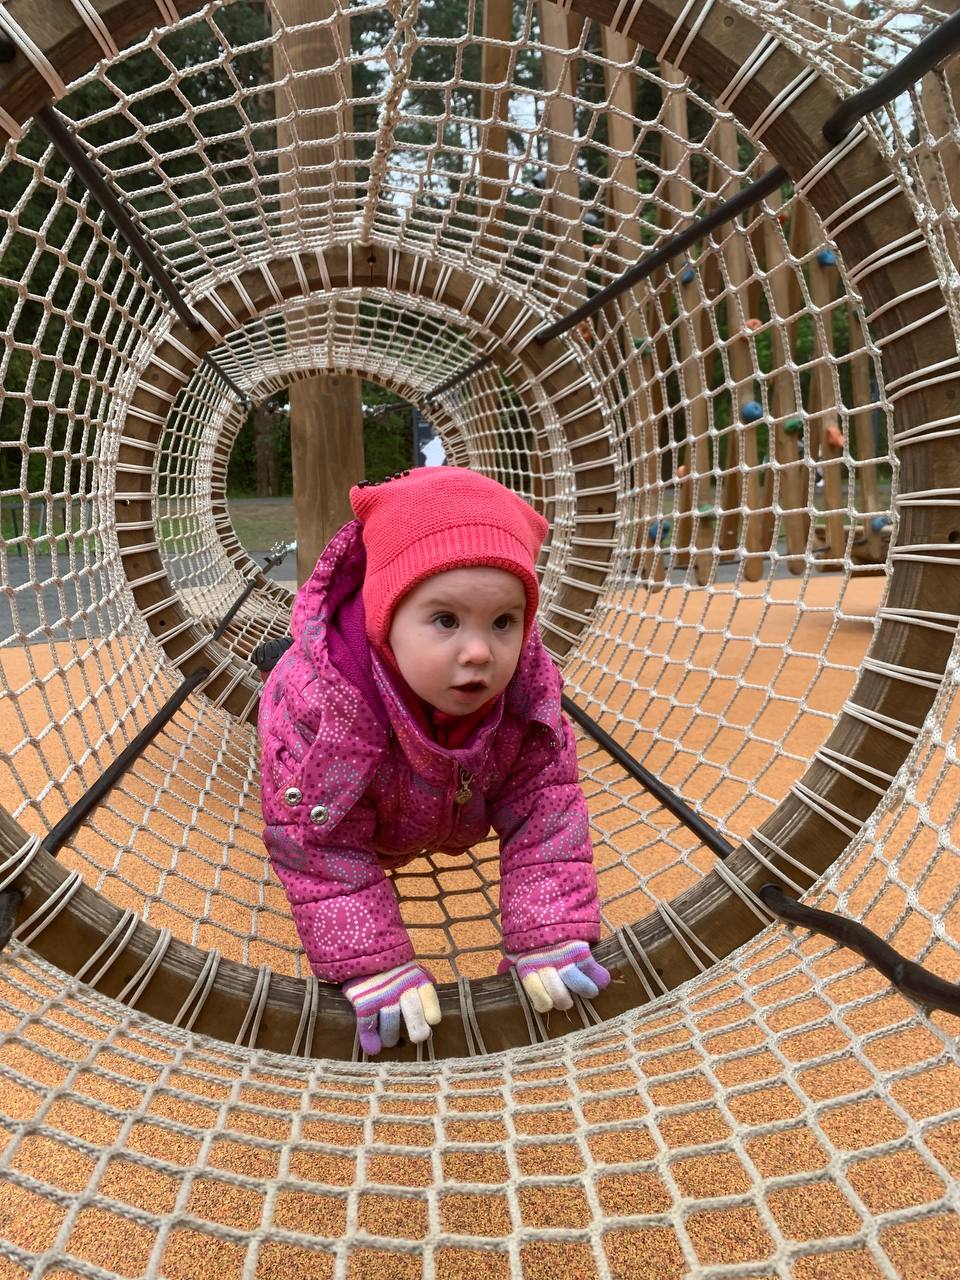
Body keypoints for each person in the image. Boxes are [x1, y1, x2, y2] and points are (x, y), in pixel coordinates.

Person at [257, 467, 609, 1055]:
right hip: (365, 778)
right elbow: (315, 839)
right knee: (282, 685)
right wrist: (373, 963)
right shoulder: (319, 707)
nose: (478, 651)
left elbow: (547, 804)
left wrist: (547, 932)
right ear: (383, 617)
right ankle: (271, 658)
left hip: (446, 792)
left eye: (504, 623)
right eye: (445, 620)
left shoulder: (525, 690)